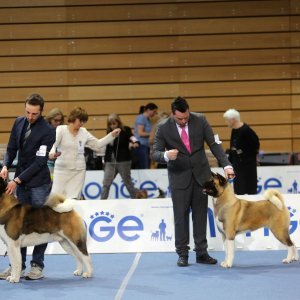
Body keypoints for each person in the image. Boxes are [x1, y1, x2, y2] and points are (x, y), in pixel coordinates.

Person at [152, 96, 235, 267]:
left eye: (186, 117)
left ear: (189, 111)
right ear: (172, 114)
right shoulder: (163, 127)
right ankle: (182, 254)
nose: (183, 121)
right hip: (179, 178)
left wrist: (226, 165)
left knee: (200, 216)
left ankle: (201, 253)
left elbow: (214, 143)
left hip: (202, 178)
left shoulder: (200, 120)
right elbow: (154, 153)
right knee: (180, 217)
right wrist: (166, 156)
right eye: (179, 118)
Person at [0, 93, 55, 280]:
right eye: (28, 112)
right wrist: (6, 165)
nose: (30, 117)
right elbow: (11, 148)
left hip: (39, 183)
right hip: (20, 183)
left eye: (34, 114)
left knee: (41, 225)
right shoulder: (18, 123)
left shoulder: (48, 131)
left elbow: (40, 162)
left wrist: (17, 181)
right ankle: (18, 266)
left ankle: (37, 265)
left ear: (41, 112)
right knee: (17, 227)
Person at [49, 107, 120, 199]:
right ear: (74, 118)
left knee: (74, 199)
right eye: (80, 121)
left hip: (79, 171)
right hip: (61, 170)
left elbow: (97, 144)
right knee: (56, 199)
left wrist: (111, 135)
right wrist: (52, 153)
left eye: (84, 122)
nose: (82, 124)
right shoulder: (61, 130)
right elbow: (53, 145)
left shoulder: (84, 132)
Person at [101, 113, 143, 199]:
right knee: (106, 183)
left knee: (128, 183)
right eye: (110, 124)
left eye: (114, 123)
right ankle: (102, 202)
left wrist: (135, 142)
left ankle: (137, 199)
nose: (112, 126)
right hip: (110, 162)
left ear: (118, 122)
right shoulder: (109, 132)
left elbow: (132, 137)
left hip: (123, 161)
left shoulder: (126, 130)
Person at [223, 108, 260, 195]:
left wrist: (252, 156)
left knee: (250, 188)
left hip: (247, 164)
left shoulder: (246, 130)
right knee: (239, 189)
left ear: (233, 120)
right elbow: (232, 146)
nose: (226, 122)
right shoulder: (234, 130)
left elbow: (255, 144)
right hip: (237, 164)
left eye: (227, 120)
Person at [132, 103, 158, 169]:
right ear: (148, 110)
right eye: (154, 111)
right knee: (144, 166)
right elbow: (140, 133)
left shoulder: (148, 119)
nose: (155, 113)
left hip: (145, 146)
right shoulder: (141, 118)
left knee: (146, 165)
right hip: (141, 146)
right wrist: (152, 134)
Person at [45, 108, 64, 178]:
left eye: (60, 120)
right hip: (47, 163)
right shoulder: (44, 130)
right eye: (56, 120)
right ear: (50, 119)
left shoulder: (63, 130)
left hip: (61, 164)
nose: (58, 123)